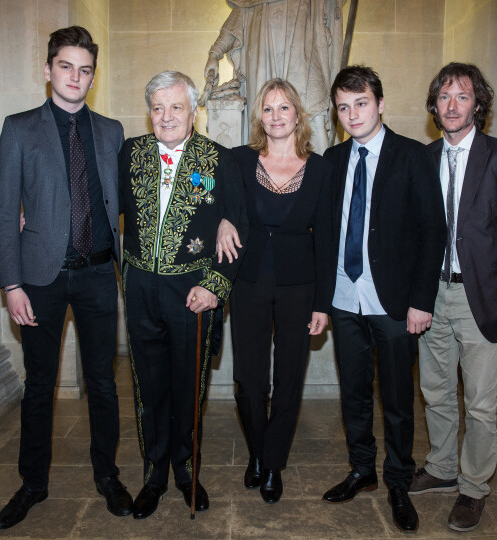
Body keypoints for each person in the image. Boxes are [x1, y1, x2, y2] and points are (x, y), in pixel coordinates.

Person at [0, 26, 131, 529]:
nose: (76, 76)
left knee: (102, 382)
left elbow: (130, 201)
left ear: (93, 77)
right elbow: (6, 214)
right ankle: (32, 483)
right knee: (40, 384)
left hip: (97, 274)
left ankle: (108, 476)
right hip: (40, 279)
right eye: (67, 66)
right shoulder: (19, 127)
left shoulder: (112, 131)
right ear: (49, 70)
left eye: (86, 69)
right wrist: (11, 284)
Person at [411, 62, 497, 532]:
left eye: (462, 96)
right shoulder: (423, 159)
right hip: (431, 295)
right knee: (436, 391)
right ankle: (443, 468)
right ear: (434, 105)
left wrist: (491, 265)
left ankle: (473, 487)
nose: (451, 105)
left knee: (480, 402)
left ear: (478, 104)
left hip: (480, 296)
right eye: (444, 96)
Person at [320, 66, 446, 533]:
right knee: (353, 394)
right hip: (344, 299)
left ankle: (397, 480)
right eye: (343, 107)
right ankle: (362, 470)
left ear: (380, 103)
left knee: (396, 400)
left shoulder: (412, 156)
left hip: (394, 304)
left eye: (361, 104)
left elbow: (433, 232)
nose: (352, 114)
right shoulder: (332, 161)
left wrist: (421, 300)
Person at [118, 71, 247, 519]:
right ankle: (154, 472)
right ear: (149, 110)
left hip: (191, 294)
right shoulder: (128, 154)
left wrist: (215, 286)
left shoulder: (219, 159)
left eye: (176, 107)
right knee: (148, 387)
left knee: (188, 387)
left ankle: (186, 468)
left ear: (194, 111)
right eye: (158, 107)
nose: (166, 116)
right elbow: (96, 206)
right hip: (139, 290)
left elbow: (239, 225)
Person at [227, 78, 333, 504]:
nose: (276, 116)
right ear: (260, 117)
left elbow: (326, 240)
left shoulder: (321, 168)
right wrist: (220, 221)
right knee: (249, 381)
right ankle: (256, 450)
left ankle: (272, 464)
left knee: (289, 379)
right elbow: (208, 197)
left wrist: (323, 303)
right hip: (248, 284)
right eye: (268, 109)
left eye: (283, 108)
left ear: (297, 115)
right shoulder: (237, 161)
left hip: (299, 288)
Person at [204, 0, 344, 152]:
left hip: (303, 53)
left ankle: (319, 170)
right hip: (261, 59)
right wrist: (215, 53)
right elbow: (235, 21)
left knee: (312, 114)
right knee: (265, 113)